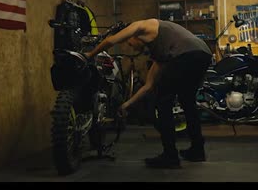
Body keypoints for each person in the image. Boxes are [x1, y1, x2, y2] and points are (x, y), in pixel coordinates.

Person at [84, 18, 212, 168]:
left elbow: (111, 40)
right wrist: (126, 105)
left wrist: (90, 55)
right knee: (188, 102)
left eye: (129, 43)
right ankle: (197, 150)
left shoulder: (141, 25)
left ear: (131, 35)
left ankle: (170, 156)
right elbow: (148, 85)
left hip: (185, 55)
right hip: (203, 54)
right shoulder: (161, 51)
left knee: (163, 102)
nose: (131, 47)